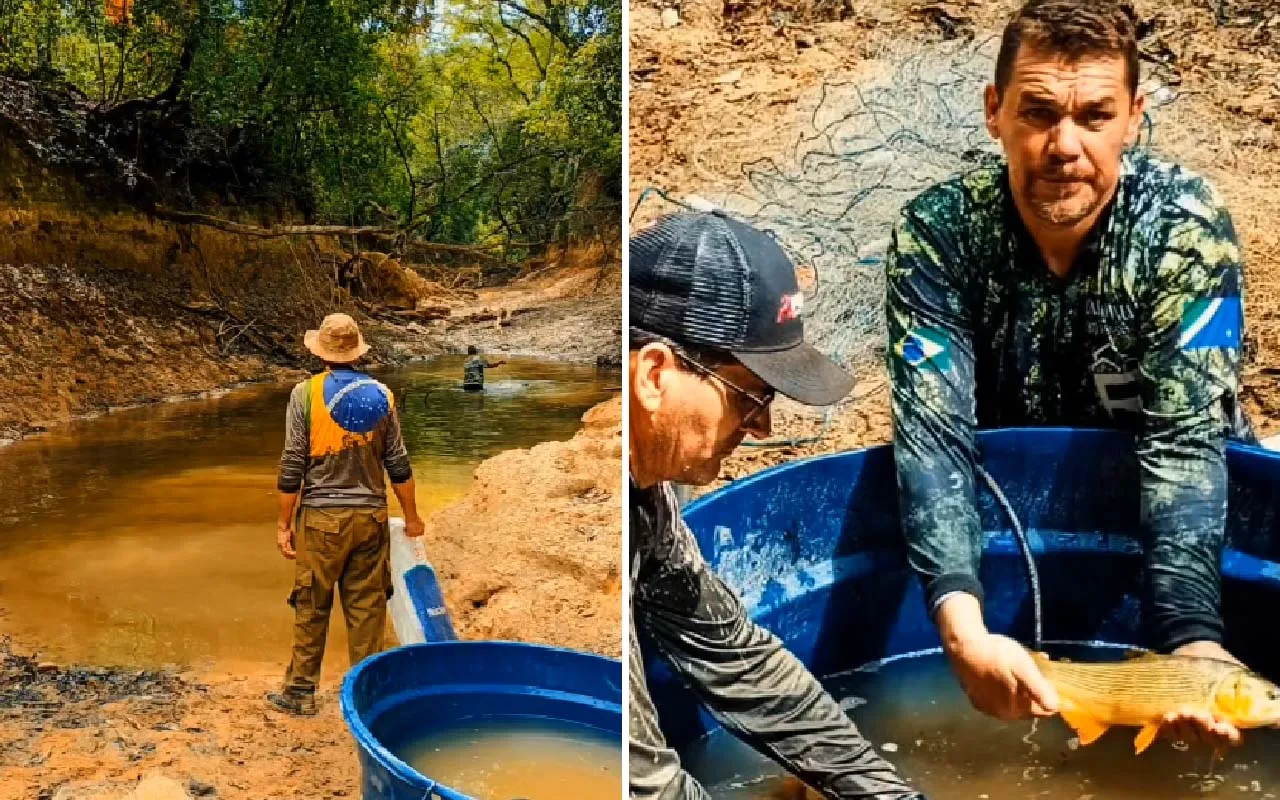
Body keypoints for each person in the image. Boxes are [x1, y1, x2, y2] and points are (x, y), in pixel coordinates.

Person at [886, 0, 1253, 751]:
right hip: (1011, 500)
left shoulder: (1185, 230)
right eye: (1039, 113)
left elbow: (1184, 443)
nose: (1064, 146)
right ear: (994, 112)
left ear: (1134, 117)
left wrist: (1190, 642)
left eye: (1094, 116)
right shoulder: (937, 236)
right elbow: (934, 439)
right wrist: (963, 633)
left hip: (1160, 491)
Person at [630, 211, 925, 800]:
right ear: (655, 375)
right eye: (751, 397)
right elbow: (645, 786)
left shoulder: (648, 500)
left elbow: (736, 658)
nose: (762, 429)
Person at [268, 312, 426, 715]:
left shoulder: (304, 394)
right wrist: (411, 518)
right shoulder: (382, 395)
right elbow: (398, 464)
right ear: (357, 352)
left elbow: (292, 464)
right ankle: (366, 699)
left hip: (321, 520)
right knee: (367, 609)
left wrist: (284, 524)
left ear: (321, 352)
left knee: (311, 605)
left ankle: (300, 693)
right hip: (371, 519)